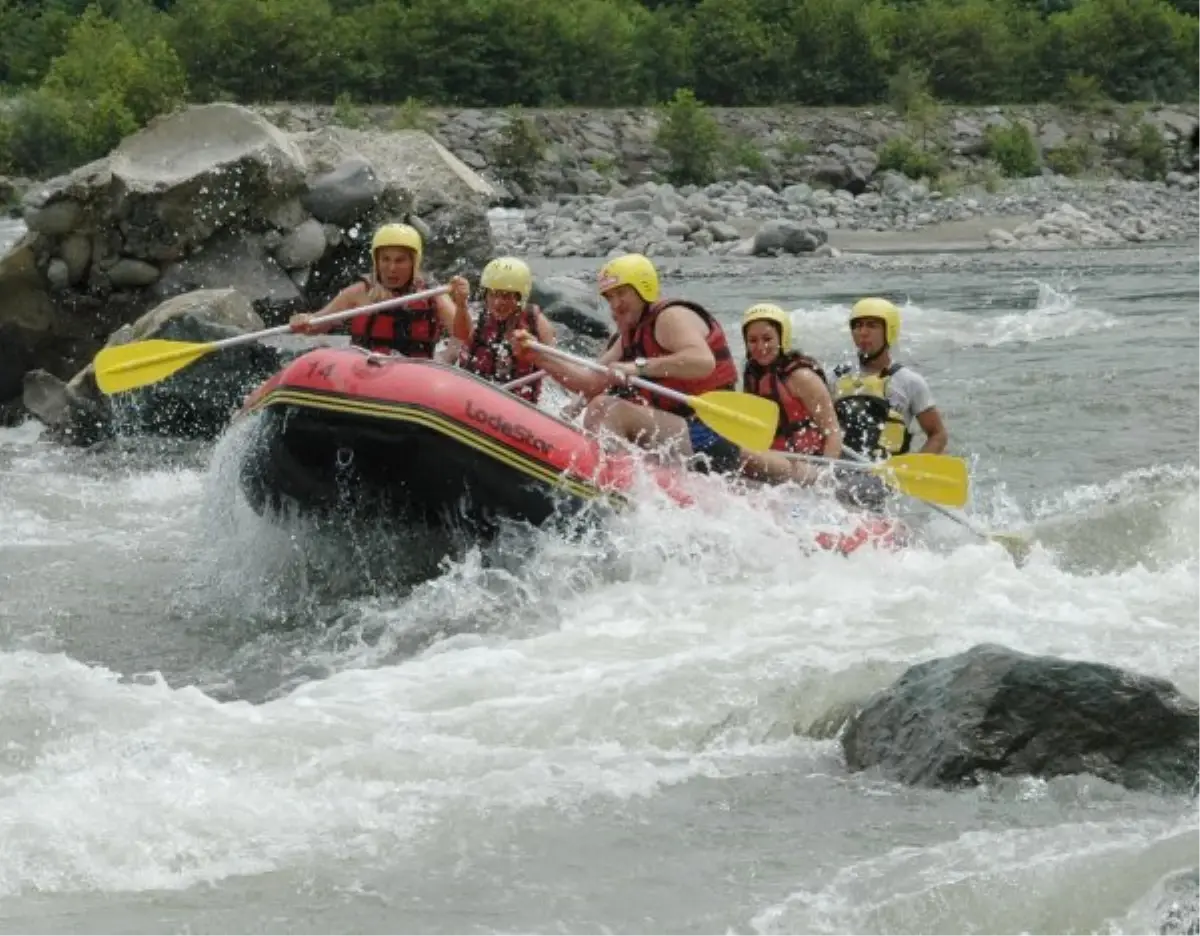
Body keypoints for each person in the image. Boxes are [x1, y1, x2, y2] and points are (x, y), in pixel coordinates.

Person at [513, 252, 743, 474]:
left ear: (644, 290)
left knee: (605, 407)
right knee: (600, 402)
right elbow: (591, 383)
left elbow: (702, 362)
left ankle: (616, 482)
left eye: (621, 293)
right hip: (678, 434)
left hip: (710, 435)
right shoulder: (630, 335)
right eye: (609, 297)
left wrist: (637, 367)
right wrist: (540, 358)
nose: (615, 304)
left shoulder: (669, 318)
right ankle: (627, 476)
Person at [288, 222, 469, 363]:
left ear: (414, 262)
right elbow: (318, 323)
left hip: (415, 376)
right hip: (363, 369)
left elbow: (464, 335)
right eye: (385, 259)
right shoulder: (359, 292)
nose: (391, 268)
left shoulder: (432, 295)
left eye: (400, 261)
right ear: (376, 260)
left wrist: (462, 305)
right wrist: (303, 321)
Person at [739, 302, 842, 487]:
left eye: (767, 338)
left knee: (737, 451)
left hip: (805, 464)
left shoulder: (801, 377)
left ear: (782, 338)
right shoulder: (753, 375)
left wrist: (826, 477)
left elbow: (833, 432)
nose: (760, 346)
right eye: (753, 340)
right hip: (772, 457)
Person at [832, 298, 948, 460]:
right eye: (858, 326)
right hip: (842, 470)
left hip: (888, 474)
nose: (863, 332)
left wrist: (916, 466)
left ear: (889, 331)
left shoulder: (909, 382)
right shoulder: (836, 378)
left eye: (872, 325)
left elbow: (938, 435)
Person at [456, 257, 556, 403]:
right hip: (473, 396)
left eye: (506, 296)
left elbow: (555, 367)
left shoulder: (537, 323)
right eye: (493, 294)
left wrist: (538, 355)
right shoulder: (480, 316)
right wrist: (461, 306)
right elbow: (460, 336)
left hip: (515, 406)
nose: (498, 303)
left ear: (520, 297)